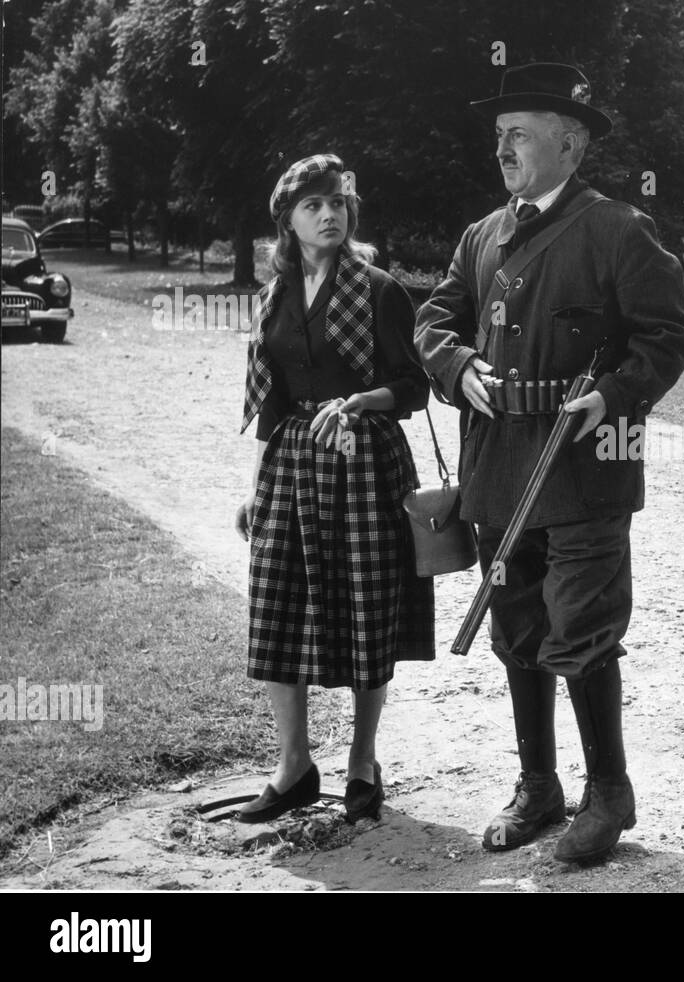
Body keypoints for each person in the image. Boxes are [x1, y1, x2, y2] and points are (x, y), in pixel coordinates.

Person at [415, 63, 684, 864]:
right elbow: (436, 317)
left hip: (581, 464)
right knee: (516, 629)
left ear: (570, 145)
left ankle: (610, 792)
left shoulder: (616, 229)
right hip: (499, 464)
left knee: (583, 627)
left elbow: (667, 337)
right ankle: (539, 784)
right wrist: (458, 364)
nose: (504, 148)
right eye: (499, 136)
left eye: (521, 134)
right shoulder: (482, 236)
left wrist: (612, 396)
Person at [235, 153, 434, 825]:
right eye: (313, 204)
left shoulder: (379, 289)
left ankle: (361, 761)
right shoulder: (276, 296)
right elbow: (270, 400)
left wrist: (360, 400)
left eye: (338, 203)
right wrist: (257, 488)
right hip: (293, 462)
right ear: (287, 221)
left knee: (366, 613)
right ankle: (294, 767)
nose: (329, 214)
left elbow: (414, 386)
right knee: (275, 609)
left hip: (364, 461)